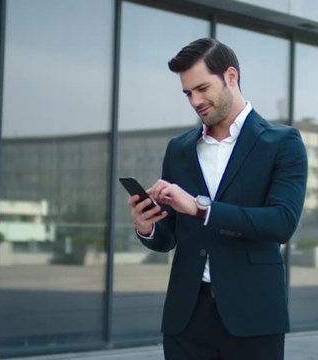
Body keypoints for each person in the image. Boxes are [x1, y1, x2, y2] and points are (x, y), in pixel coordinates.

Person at [127, 37, 307, 360]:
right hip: (187, 317)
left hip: (252, 315)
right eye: (187, 93)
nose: (195, 101)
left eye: (202, 88)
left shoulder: (283, 143)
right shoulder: (179, 149)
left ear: (231, 77)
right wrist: (147, 227)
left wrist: (201, 208)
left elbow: (281, 223)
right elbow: (169, 236)